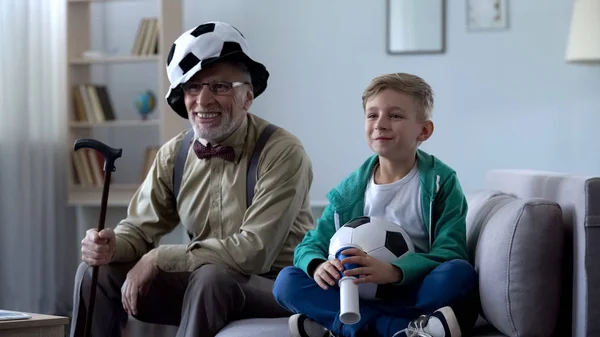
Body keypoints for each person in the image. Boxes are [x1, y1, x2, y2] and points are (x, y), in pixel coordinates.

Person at [69, 21, 315, 337]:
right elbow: (140, 229)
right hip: (206, 285)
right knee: (95, 274)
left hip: (277, 289)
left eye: (220, 87)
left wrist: (159, 257)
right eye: (193, 87)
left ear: (248, 97)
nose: (203, 101)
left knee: (212, 277)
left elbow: (254, 252)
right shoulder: (174, 153)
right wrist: (110, 246)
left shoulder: (282, 151)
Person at [272, 73, 479, 337]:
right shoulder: (347, 192)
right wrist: (317, 265)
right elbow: (309, 245)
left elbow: (451, 250)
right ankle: (399, 329)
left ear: (423, 130)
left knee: (458, 274)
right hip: (356, 294)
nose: (380, 124)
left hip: (413, 289)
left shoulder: (441, 182)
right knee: (287, 281)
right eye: (372, 115)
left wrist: (394, 271)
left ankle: (342, 325)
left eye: (395, 116)